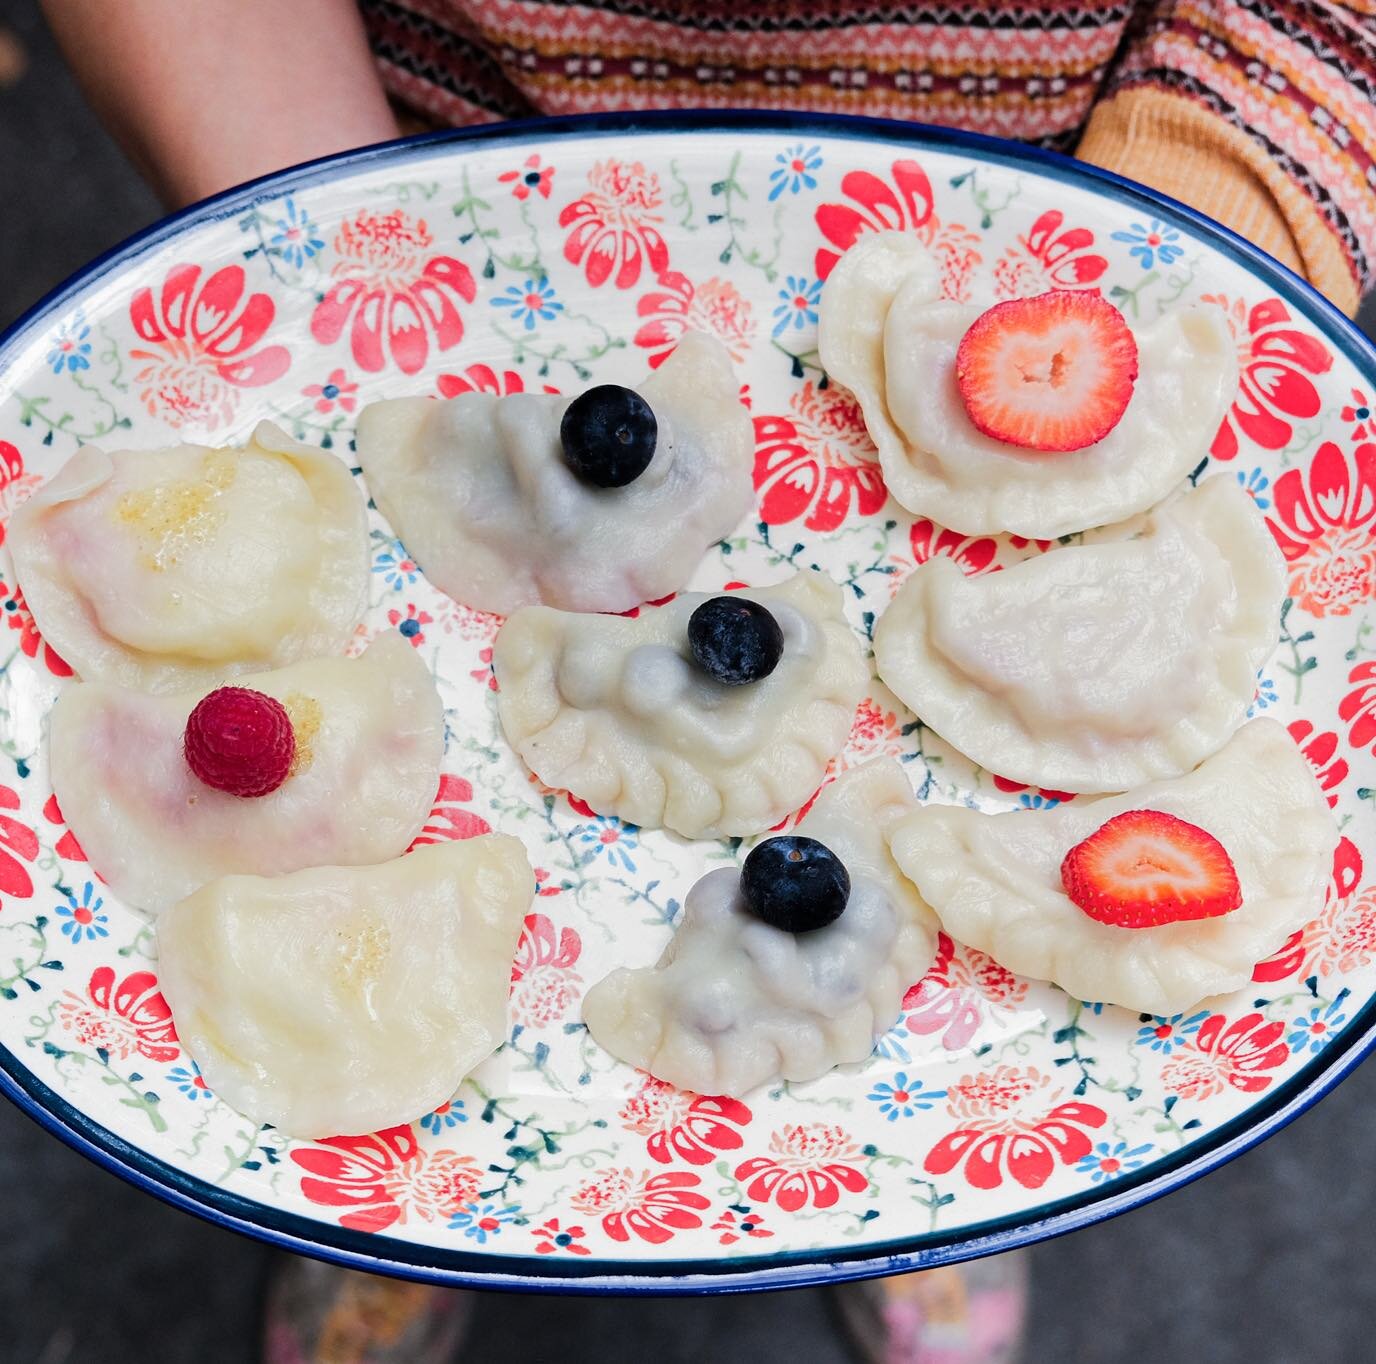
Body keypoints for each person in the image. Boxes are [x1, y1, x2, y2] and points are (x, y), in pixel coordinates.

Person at [39, 3, 1376, 1362]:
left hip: (1019, 274)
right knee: (412, 1131)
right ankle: (411, 1203)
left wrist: (1162, 266)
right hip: (405, 159)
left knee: (990, 1051)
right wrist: (336, 230)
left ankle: (928, 1209)